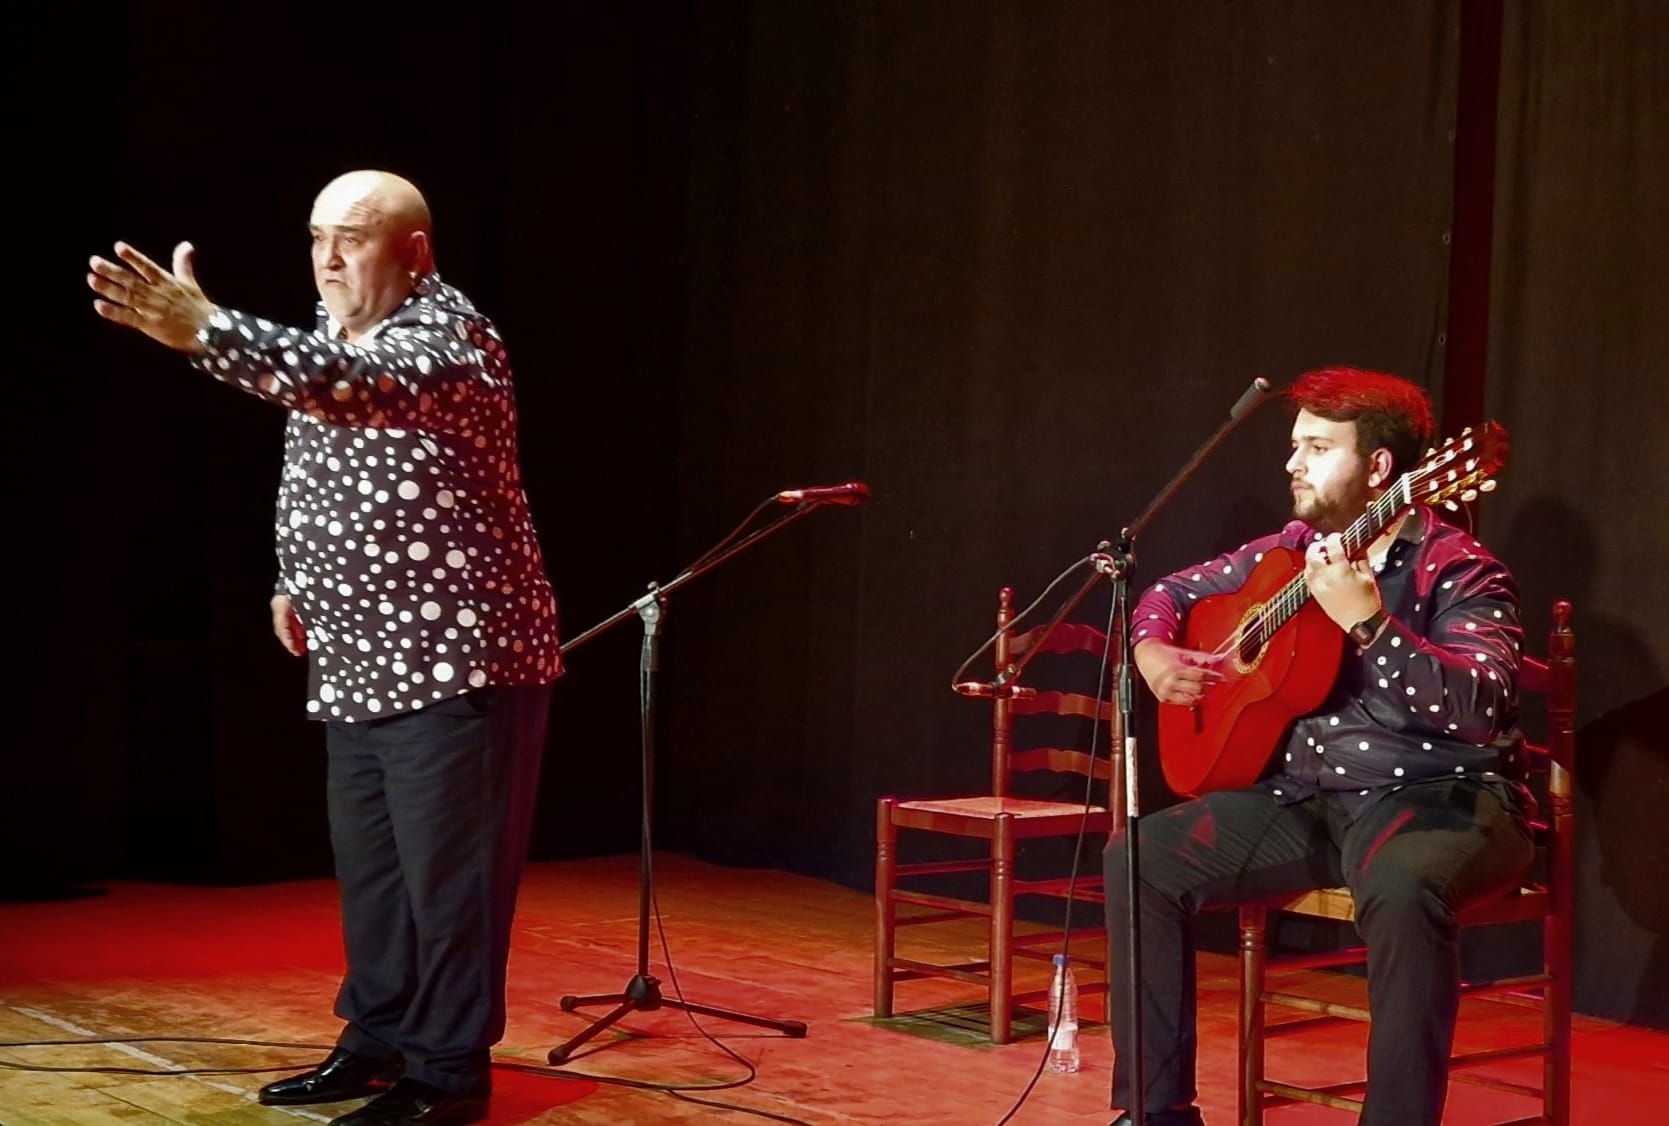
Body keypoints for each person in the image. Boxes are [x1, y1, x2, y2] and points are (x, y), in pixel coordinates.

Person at [87, 170, 560, 1126]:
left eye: (354, 237)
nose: (331, 258)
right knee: (378, 877)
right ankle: (379, 1039)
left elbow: (354, 393)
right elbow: (318, 467)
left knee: (449, 884)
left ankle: (446, 1072)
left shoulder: (447, 339)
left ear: (414, 251)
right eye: (316, 238)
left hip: (457, 659)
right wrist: (291, 580)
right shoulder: (332, 335)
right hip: (356, 658)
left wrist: (209, 332)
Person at [1103, 368, 1534, 1126]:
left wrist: (1369, 623)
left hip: (1441, 802)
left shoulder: (1459, 568)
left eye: (1314, 447)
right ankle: (1155, 1115)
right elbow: (1167, 592)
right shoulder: (1290, 553)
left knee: (1402, 889)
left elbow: (1478, 707)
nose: (1290, 464)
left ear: (1379, 469)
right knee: (1136, 859)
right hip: (1309, 801)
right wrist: (1152, 654)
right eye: (1292, 444)